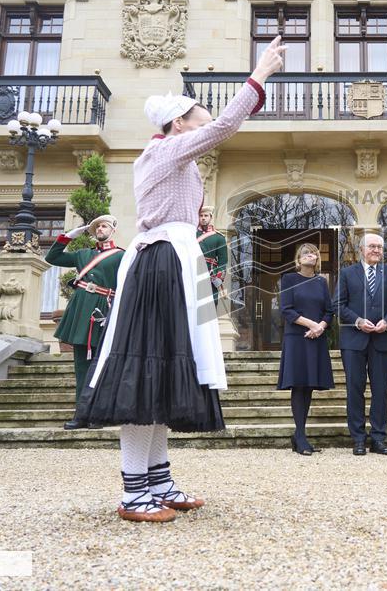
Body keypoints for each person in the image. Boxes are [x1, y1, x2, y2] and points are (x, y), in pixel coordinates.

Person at [77, 35, 287, 523]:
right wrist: (260, 73)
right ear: (179, 124)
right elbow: (229, 125)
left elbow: (219, 130)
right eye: (199, 117)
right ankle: (134, 492)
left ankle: (158, 481)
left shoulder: (177, 157)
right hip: (162, 261)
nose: (207, 122)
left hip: (179, 259)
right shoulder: (166, 151)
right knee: (147, 370)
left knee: (168, 372)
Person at [44, 215, 124, 430]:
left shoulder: (122, 256)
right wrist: (67, 237)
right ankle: (81, 414)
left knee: (102, 366)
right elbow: (53, 258)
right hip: (80, 310)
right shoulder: (83, 254)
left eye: (104, 225)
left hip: (104, 310)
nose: (100, 229)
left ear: (113, 230)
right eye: (97, 226)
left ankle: (99, 413)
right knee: (81, 366)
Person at [334, 233, 387, 456]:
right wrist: (357, 321)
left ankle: (378, 438)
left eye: (379, 247)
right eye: (372, 246)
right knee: (354, 390)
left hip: (383, 340)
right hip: (354, 342)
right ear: (361, 250)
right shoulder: (347, 273)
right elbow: (337, 304)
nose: (376, 250)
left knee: (381, 391)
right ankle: (358, 438)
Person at [277, 243, 335, 455]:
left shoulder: (321, 282)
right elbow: (286, 309)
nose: (311, 256)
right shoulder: (289, 279)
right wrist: (311, 325)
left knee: (309, 385)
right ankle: (300, 435)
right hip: (297, 338)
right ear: (298, 259)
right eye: (306, 253)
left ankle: (299, 435)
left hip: (316, 338)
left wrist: (320, 327)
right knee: (298, 385)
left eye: (314, 253)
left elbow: (329, 311)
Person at [197, 206, 227, 303]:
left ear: (211, 217)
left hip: (210, 274)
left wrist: (218, 277)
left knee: (210, 303)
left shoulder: (219, 238)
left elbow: (223, 261)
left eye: (206, 215)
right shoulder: (190, 234)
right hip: (193, 272)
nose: (203, 218)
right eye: (200, 215)